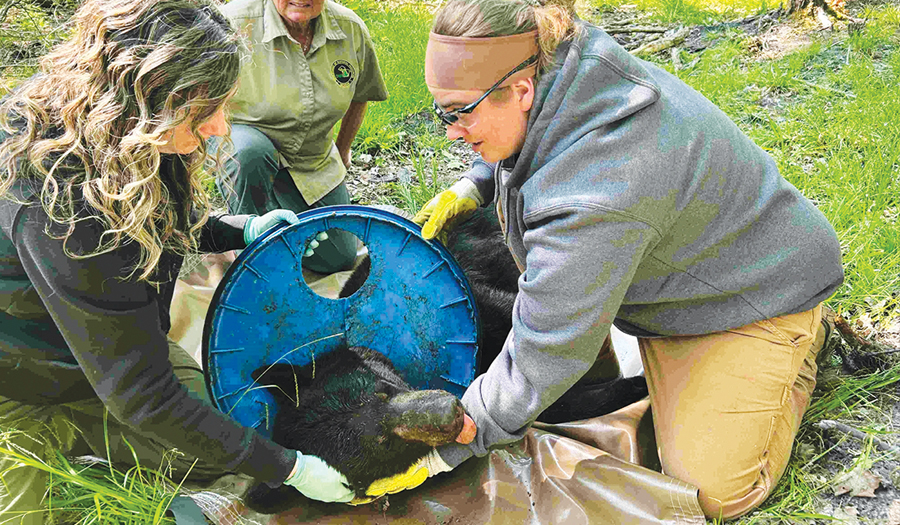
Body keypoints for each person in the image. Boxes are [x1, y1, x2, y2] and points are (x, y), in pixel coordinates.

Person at [395, 0, 844, 520]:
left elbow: (546, 352)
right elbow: (537, 144)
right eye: (443, 112)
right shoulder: (561, 66)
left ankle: (800, 342)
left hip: (757, 295)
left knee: (715, 489)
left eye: (460, 112)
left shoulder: (598, 188)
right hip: (689, 270)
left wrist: (447, 446)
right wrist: (476, 184)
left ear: (520, 91)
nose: (451, 131)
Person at [0, 0, 360, 521]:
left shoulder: (123, 129)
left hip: (108, 344)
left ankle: (101, 429)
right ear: (153, 100)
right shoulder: (61, 204)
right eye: (206, 112)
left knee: (221, 443)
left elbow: (160, 215)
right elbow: (144, 395)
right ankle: (54, 438)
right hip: (22, 376)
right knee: (31, 513)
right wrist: (290, 469)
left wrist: (240, 227)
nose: (220, 128)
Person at [216, 0, 389, 274]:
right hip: (244, 149)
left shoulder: (350, 28)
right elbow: (192, 99)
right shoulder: (231, 23)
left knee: (339, 258)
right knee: (249, 152)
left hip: (311, 159)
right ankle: (249, 254)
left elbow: (361, 95)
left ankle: (275, 211)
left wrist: (342, 149)